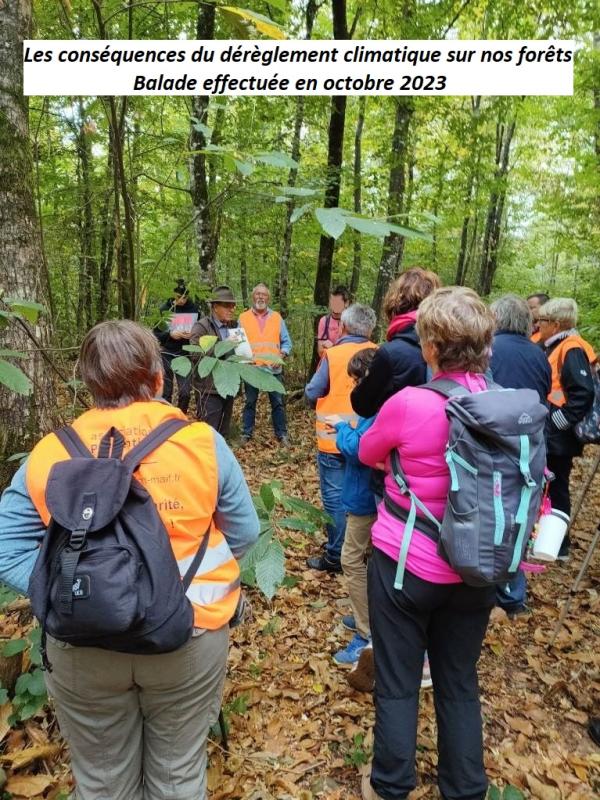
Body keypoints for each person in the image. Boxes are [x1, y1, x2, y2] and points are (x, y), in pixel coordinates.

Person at [0, 320, 260, 800]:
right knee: (178, 774)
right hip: (189, 635)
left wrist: (63, 592)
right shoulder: (202, 442)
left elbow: (6, 549)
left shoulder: (49, 453)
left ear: (89, 384)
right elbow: (244, 533)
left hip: (83, 643)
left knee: (101, 782)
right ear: (158, 379)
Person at [359, 287, 497, 800]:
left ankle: (392, 786)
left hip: (406, 567)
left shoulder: (409, 403)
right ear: (485, 347)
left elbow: (369, 451)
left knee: (397, 683)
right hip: (479, 567)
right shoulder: (505, 409)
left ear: (431, 348)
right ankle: (465, 789)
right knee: (458, 680)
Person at [489, 294, 552, 616]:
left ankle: (489, 586)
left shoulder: (489, 350)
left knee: (491, 516)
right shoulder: (539, 354)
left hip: (494, 447)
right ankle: (513, 594)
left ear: (495, 319)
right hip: (530, 447)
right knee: (520, 517)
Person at [305, 304, 377, 573]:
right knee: (366, 496)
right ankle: (362, 551)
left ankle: (336, 554)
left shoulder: (332, 355)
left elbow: (312, 392)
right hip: (370, 441)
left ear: (343, 327)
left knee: (334, 499)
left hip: (333, 439)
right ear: (370, 329)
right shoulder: (381, 354)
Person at [328, 348, 377, 665]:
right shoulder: (379, 404)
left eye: (358, 380)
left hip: (366, 497)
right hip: (367, 494)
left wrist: (342, 429)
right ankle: (366, 615)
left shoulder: (379, 407)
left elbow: (361, 449)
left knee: (351, 557)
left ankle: (366, 632)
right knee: (368, 558)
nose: (355, 385)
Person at [538, 298, 595, 560]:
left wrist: (555, 424)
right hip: (554, 433)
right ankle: (549, 539)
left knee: (557, 486)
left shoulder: (571, 349)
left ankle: (558, 545)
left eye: (544, 321)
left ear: (557, 324)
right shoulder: (558, 345)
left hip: (559, 436)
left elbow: (582, 395)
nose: (539, 325)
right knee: (550, 484)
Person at [351, 268, 441, 419]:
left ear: (396, 303)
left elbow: (362, 405)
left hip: (398, 440)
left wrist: (366, 377)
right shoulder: (451, 346)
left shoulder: (391, 353)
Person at [238, 283, 292, 446]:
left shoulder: (277, 317)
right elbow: (239, 344)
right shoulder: (243, 317)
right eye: (257, 294)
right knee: (249, 403)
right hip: (252, 370)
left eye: (264, 294)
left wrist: (280, 356)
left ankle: (282, 434)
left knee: (278, 403)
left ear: (268, 298)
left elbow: (287, 343)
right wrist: (244, 360)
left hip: (273, 370)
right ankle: (246, 434)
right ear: (252, 296)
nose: (260, 297)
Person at [190, 285, 239, 438]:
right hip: (208, 389)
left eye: (233, 305)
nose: (231, 309)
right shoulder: (202, 327)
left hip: (228, 386)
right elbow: (195, 354)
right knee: (209, 433)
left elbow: (239, 354)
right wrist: (224, 345)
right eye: (227, 306)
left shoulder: (234, 326)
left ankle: (220, 461)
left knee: (223, 434)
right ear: (215, 307)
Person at [154, 278, 198, 413]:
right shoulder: (164, 309)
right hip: (166, 352)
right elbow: (156, 333)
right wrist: (170, 334)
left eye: (185, 297)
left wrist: (193, 335)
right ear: (173, 295)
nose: (182, 300)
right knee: (166, 392)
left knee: (185, 392)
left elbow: (199, 329)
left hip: (184, 353)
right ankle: (166, 419)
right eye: (179, 297)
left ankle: (181, 416)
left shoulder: (194, 308)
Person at [317, 285, 351, 357]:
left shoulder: (352, 323)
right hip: (328, 365)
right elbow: (320, 351)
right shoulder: (324, 321)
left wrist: (332, 348)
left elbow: (351, 352)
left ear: (346, 303)